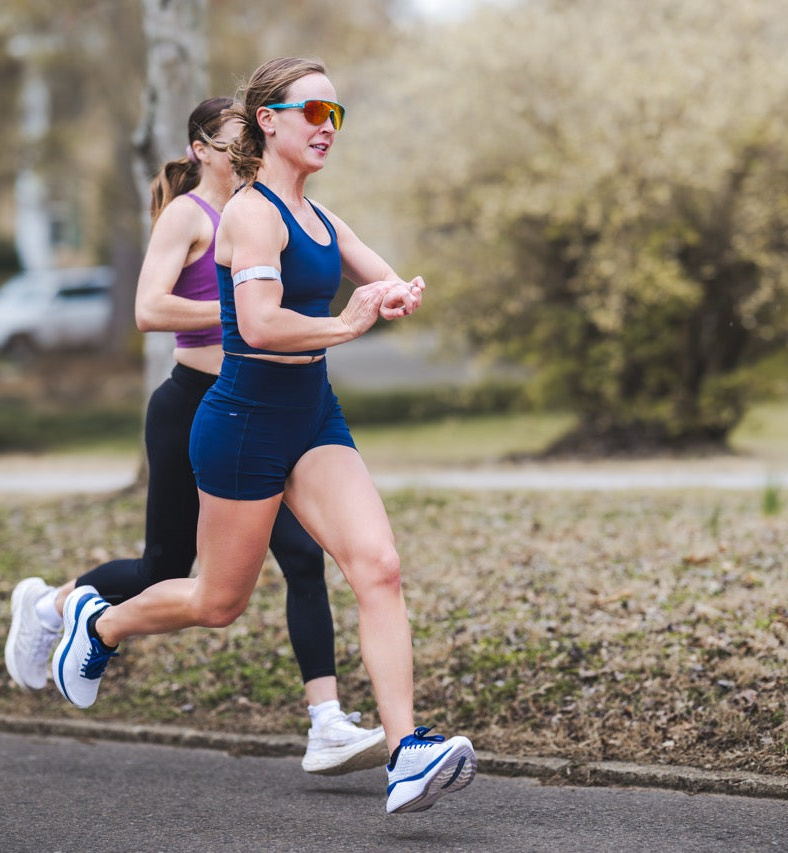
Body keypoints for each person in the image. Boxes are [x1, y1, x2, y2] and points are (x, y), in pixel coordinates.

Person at [50, 58, 476, 815]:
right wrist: (346, 323)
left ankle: (407, 751)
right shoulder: (250, 214)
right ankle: (103, 622)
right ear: (268, 121)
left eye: (335, 115)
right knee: (218, 600)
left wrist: (397, 291)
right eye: (311, 111)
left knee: (378, 566)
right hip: (243, 424)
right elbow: (257, 324)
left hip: (313, 416)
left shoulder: (322, 217)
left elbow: (378, 275)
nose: (325, 127)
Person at [3, 96, 387, 777]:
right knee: (166, 570)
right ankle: (55, 604)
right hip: (194, 406)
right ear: (202, 150)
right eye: (235, 139)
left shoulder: (265, 214)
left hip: (262, 407)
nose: (248, 150)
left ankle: (327, 719)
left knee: (303, 556)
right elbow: (148, 309)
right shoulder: (189, 214)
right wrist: (241, 302)